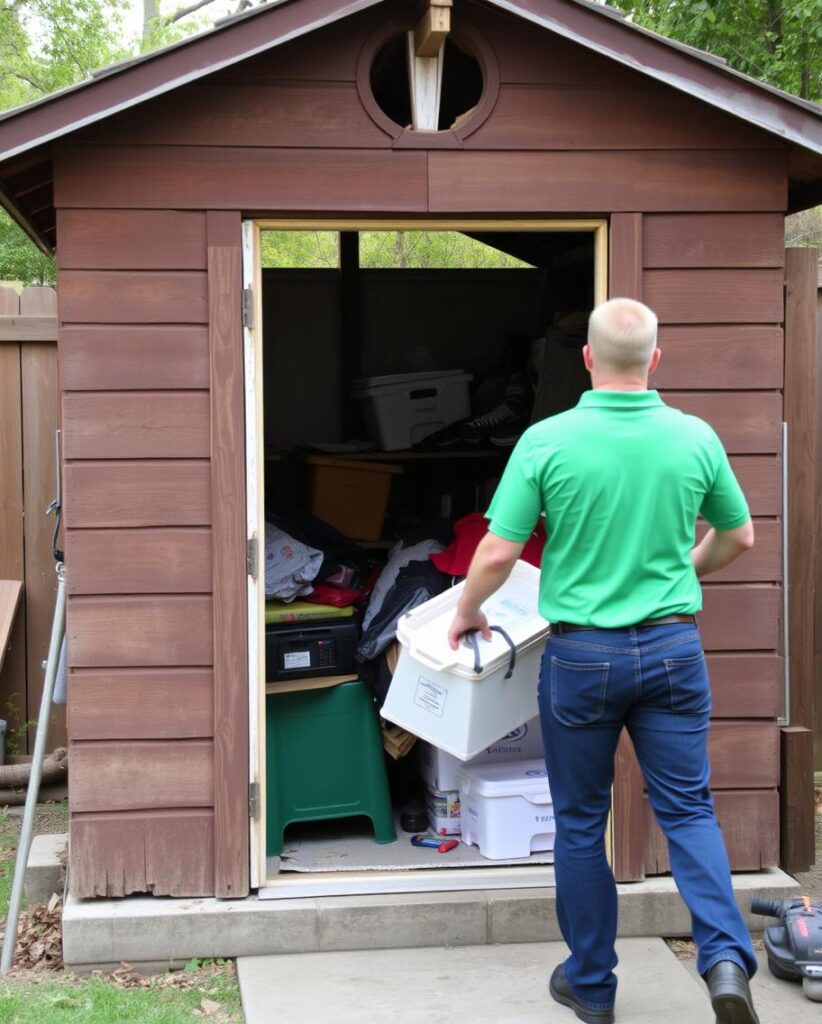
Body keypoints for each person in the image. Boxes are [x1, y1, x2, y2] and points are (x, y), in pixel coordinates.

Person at [447, 298, 759, 1024]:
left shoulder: (547, 440)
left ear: (586, 359)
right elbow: (738, 536)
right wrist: (684, 569)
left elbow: (496, 550)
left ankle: (591, 984)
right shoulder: (694, 437)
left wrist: (466, 611)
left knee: (582, 823)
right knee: (688, 809)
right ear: (655, 360)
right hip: (675, 649)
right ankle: (722, 962)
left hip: (583, 657)